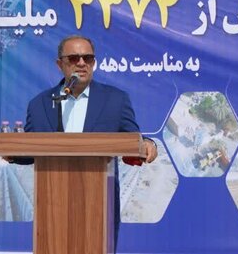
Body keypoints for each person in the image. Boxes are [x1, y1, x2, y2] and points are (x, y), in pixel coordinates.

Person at [22, 35, 157, 249]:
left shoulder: (115, 100)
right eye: (74, 58)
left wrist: (148, 144)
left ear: (93, 63)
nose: (81, 63)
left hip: (98, 206)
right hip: (52, 207)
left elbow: (133, 138)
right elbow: (29, 150)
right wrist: (12, 154)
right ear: (59, 64)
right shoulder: (40, 104)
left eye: (88, 58)